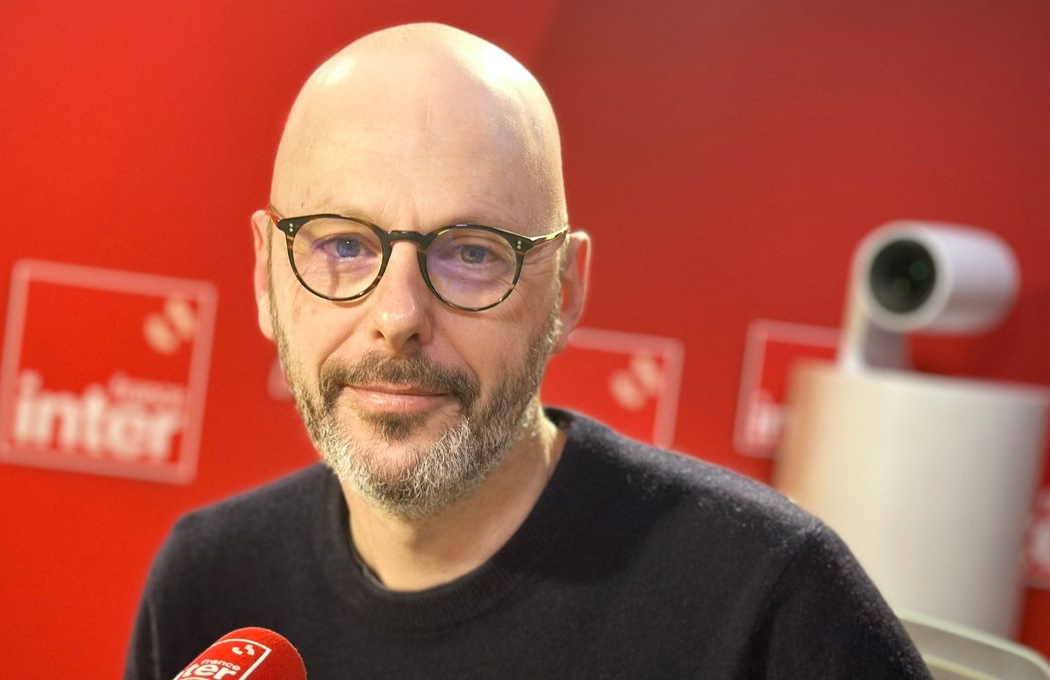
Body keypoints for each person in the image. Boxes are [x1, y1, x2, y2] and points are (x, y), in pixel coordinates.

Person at [125, 23, 929, 679]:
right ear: (267, 276)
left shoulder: (770, 601)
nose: (398, 316)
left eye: (471, 253)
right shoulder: (208, 582)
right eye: (343, 245)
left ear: (566, 291)